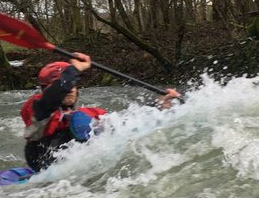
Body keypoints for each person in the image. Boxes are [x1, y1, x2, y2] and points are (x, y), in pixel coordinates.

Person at [20, 53, 181, 171]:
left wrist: (158, 105)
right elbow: (52, 97)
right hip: (44, 164)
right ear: (45, 89)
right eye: (67, 85)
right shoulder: (35, 109)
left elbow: (124, 121)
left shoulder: (85, 113)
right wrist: (73, 69)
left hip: (75, 167)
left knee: (93, 122)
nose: (71, 90)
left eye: (73, 85)